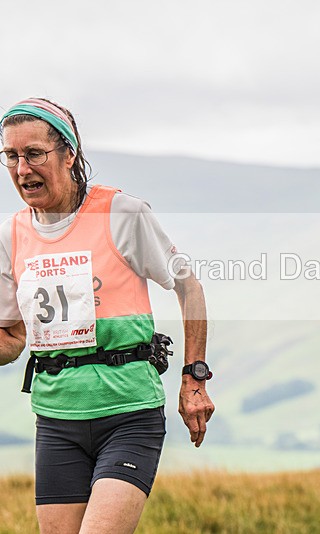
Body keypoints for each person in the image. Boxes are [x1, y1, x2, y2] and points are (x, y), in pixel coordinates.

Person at [0, 98, 215, 534]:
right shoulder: (11, 234)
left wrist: (194, 377)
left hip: (128, 414)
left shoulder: (122, 213)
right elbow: (13, 338)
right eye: (11, 156)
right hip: (56, 421)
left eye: (35, 154)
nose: (22, 169)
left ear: (69, 154)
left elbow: (189, 287)